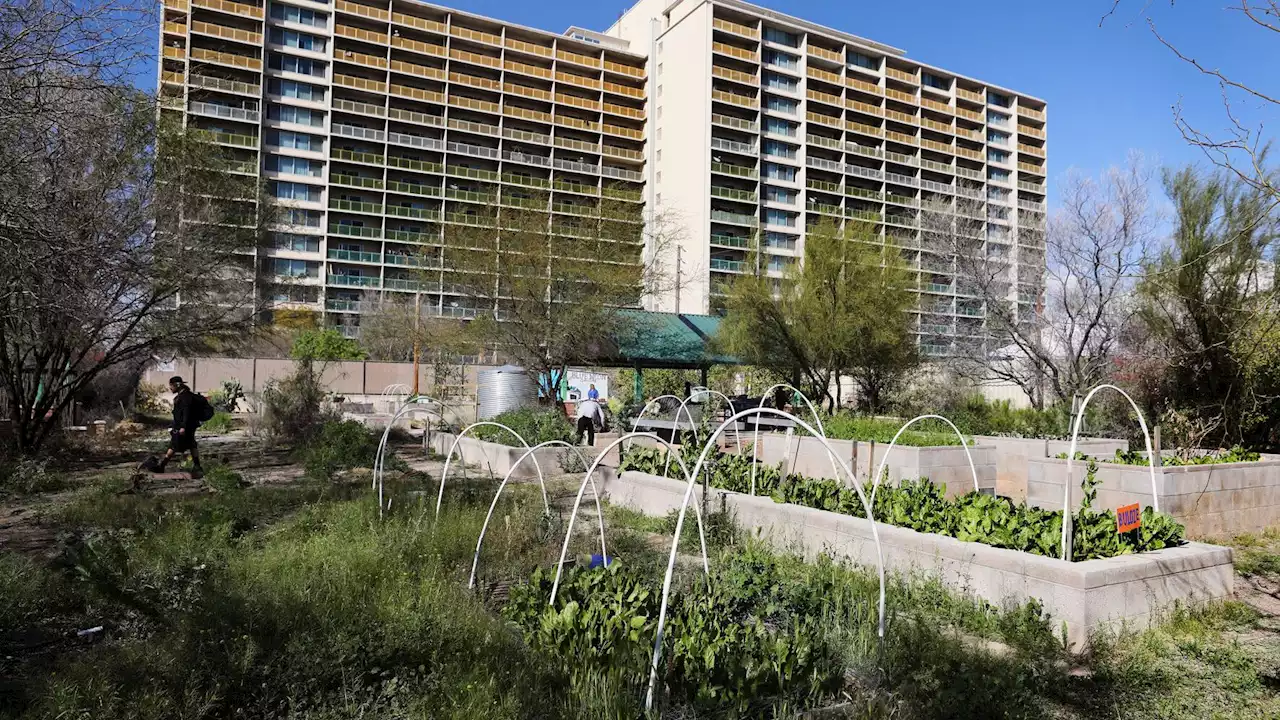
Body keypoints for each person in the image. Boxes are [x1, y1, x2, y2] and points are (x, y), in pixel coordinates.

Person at [156, 376, 203, 478]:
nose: (170, 388)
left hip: (184, 426)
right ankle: (197, 466)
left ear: (177, 385)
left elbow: (186, 413)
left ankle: (162, 465)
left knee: (174, 445)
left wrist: (183, 427)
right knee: (191, 444)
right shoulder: (186, 395)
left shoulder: (184, 397)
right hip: (188, 426)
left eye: (171, 386)